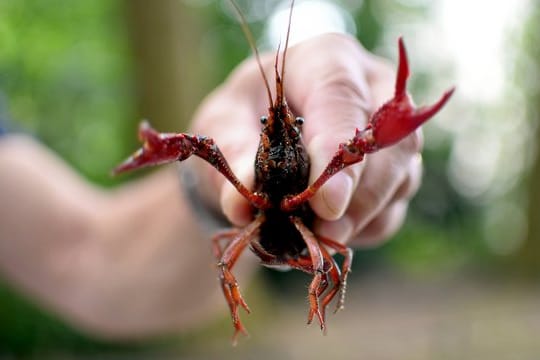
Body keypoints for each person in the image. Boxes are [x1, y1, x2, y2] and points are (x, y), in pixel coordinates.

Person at [0, 33, 422, 339]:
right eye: (268, 128)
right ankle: (239, 315)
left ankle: (319, 299)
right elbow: (88, 258)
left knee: (336, 256)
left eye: (288, 129)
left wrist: (203, 194)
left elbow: (87, 254)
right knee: (226, 252)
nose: (276, 136)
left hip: (305, 227)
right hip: (260, 229)